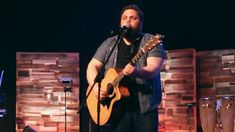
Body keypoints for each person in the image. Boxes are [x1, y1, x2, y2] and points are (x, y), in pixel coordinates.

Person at [86, 4, 166, 132]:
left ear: (141, 23)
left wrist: (136, 72)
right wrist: (95, 86)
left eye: (133, 18)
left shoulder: (150, 41)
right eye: (124, 18)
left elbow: (154, 68)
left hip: (144, 111)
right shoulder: (110, 43)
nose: (128, 21)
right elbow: (92, 65)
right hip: (117, 111)